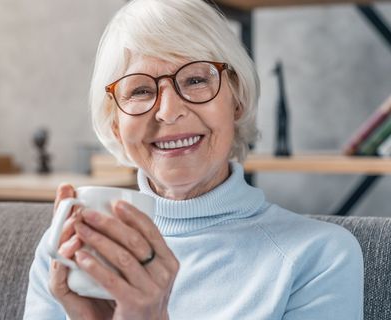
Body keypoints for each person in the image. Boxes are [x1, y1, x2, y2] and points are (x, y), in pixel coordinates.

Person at [24, 0, 364, 319]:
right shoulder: (66, 249)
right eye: (141, 90)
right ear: (116, 123)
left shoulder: (322, 257)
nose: (169, 113)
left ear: (237, 100)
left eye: (196, 80)